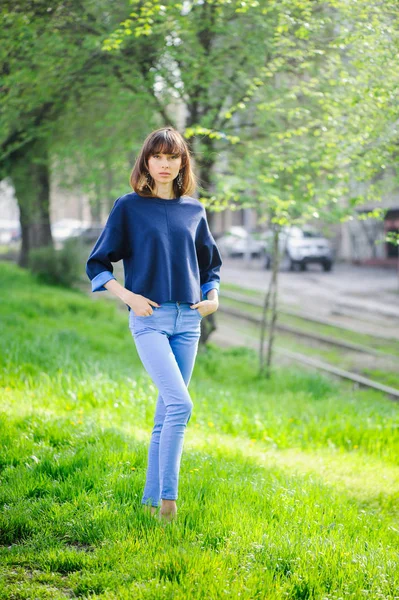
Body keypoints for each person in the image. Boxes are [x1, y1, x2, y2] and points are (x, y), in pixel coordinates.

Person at [85, 127, 222, 523]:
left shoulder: (194, 210)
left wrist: (213, 299)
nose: (165, 164)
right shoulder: (128, 207)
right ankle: (169, 504)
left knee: (166, 415)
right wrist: (128, 297)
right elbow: (97, 263)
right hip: (149, 320)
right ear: (146, 161)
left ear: (182, 163)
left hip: (189, 321)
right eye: (157, 156)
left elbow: (210, 265)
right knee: (181, 404)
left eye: (172, 157)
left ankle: (149, 501)